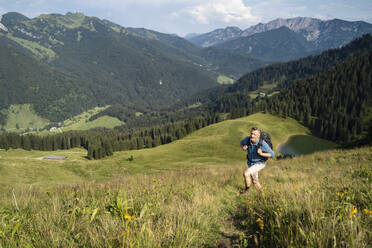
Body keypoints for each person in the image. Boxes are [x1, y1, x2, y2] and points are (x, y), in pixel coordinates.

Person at [240, 127, 274, 193]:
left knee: (246, 173)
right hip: (250, 163)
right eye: (251, 133)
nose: (252, 136)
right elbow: (241, 143)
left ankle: (246, 191)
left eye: (254, 134)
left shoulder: (263, 144)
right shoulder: (248, 139)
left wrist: (261, 153)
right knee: (255, 181)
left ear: (258, 136)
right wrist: (243, 147)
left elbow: (272, 154)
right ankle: (262, 194)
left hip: (259, 163)